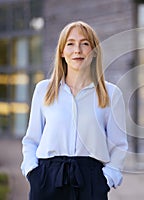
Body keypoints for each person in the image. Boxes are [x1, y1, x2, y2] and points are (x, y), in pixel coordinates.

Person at [21, 21, 128, 200]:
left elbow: (118, 145)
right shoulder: (43, 90)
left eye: (84, 43)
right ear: (62, 52)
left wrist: (106, 180)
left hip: (90, 180)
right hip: (47, 179)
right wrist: (33, 172)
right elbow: (31, 140)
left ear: (93, 52)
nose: (77, 50)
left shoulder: (111, 94)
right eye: (70, 44)